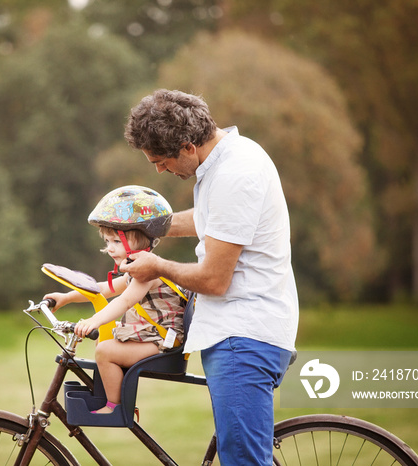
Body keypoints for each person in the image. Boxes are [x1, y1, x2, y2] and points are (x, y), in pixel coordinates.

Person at [120, 89, 298, 465]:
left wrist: (158, 266)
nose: (159, 171)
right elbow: (210, 220)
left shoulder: (235, 174)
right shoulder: (230, 159)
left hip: (243, 338)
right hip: (240, 333)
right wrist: (143, 224)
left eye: (161, 161)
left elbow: (215, 279)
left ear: (187, 147)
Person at [44, 185, 187, 414]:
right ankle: (113, 398)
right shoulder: (135, 269)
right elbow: (102, 289)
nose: (110, 248)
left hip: (163, 343)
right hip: (151, 336)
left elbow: (124, 301)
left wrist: (94, 321)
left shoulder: (147, 271)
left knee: (105, 351)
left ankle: (116, 407)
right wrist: (66, 298)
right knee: (106, 341)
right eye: (107, 241)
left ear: (141, 240)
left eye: (116, 241)